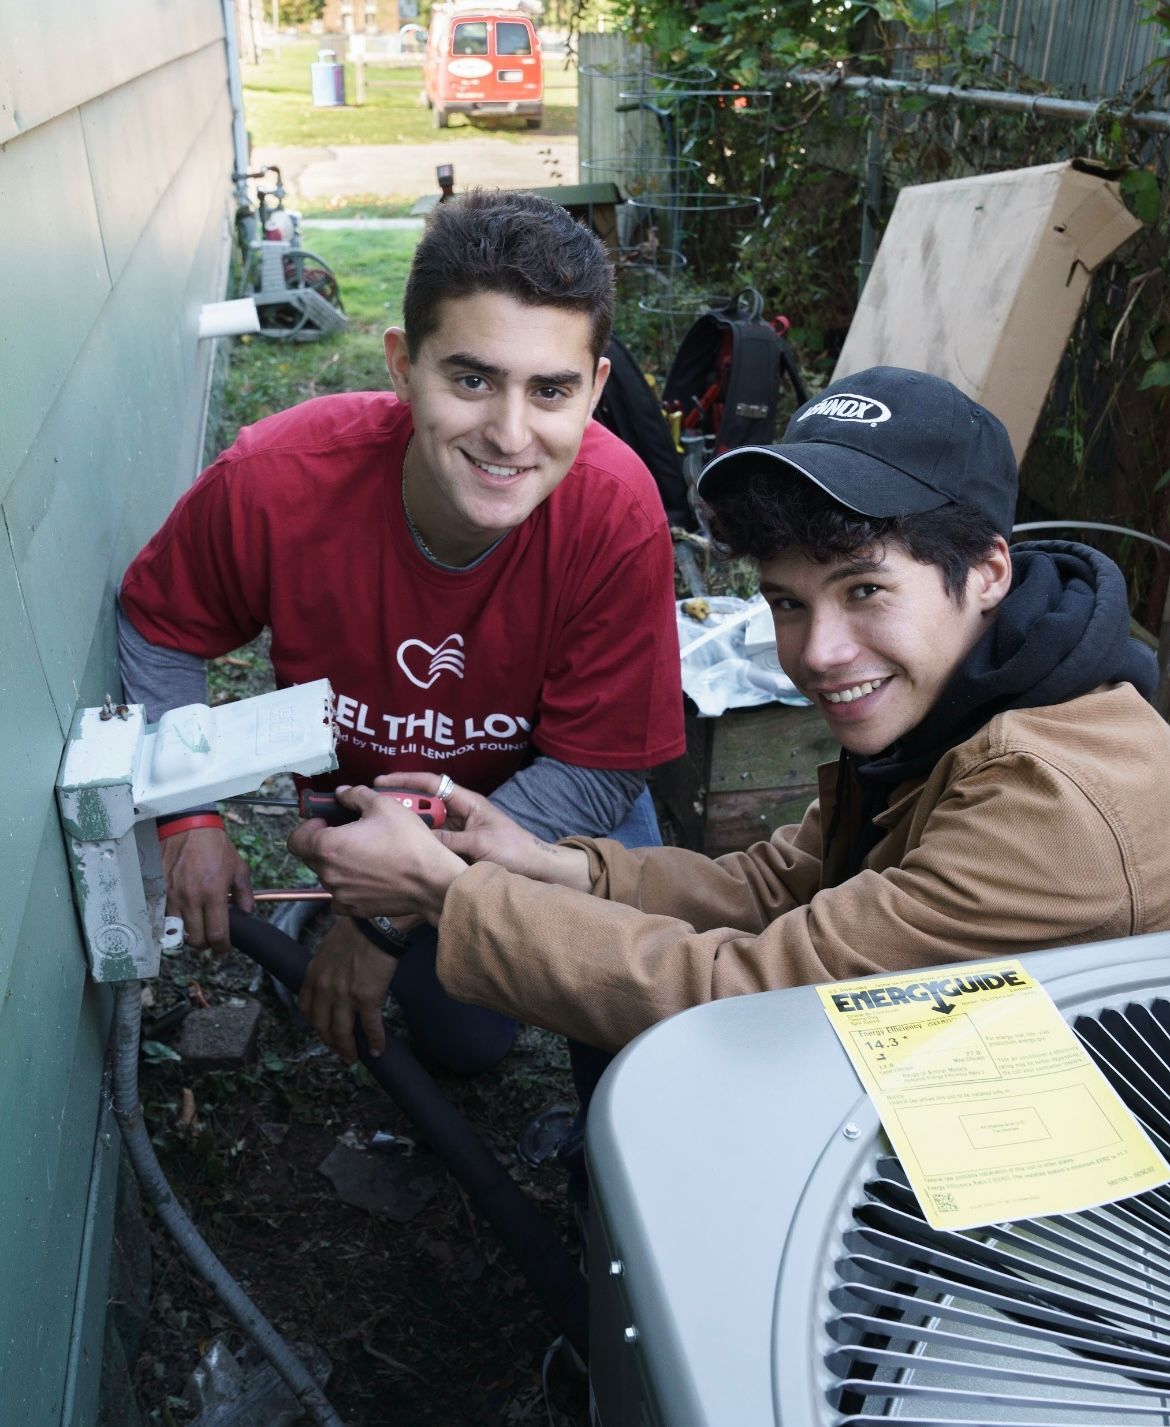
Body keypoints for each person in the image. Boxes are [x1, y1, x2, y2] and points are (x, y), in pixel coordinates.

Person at [288, 365, 1170, 1056]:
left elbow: (756, 1001)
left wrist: (444, 891)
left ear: (986, 570)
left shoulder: (1052, 805)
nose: (819, 653)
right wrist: (543, 863)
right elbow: (779, 887)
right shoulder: (954, 696)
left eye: (865, 589)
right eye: (789, 602)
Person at [118, 188, 685, 1071]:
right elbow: (158, 621)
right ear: (400, 364)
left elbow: (601, 764)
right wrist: (187, 812)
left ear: (596, 389)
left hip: (543, 798)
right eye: (471, 378)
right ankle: (348, 913)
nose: (509, 433)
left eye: (551, 390)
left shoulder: (616, 512)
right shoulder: (279, 480)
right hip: (373, 803)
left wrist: (386, 922)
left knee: (633, 1007)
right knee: (464, 1043)